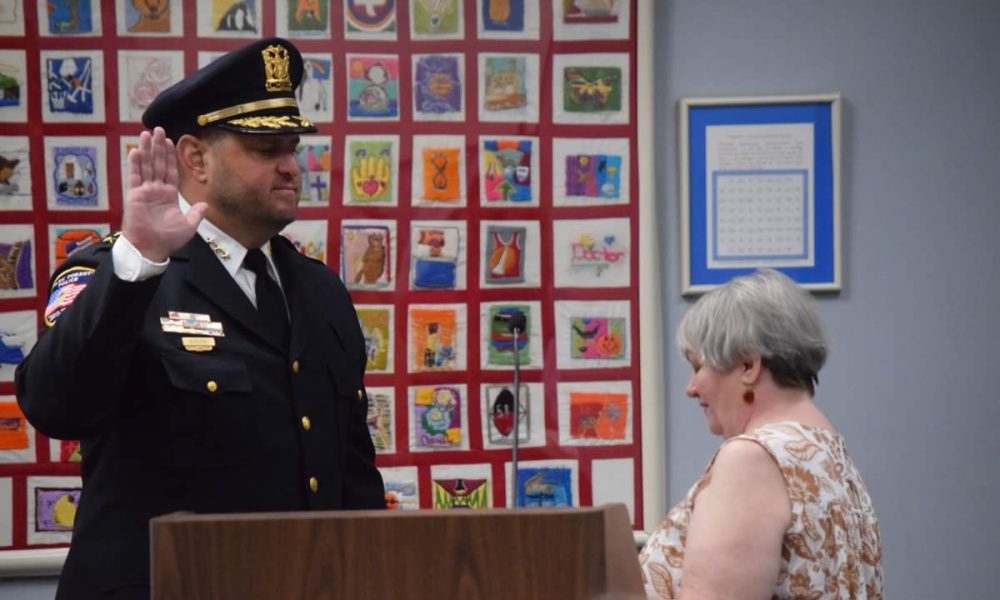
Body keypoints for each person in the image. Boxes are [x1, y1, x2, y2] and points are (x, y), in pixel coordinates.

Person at [15, 38, 385, 599]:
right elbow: (55, 406)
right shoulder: (123, 274)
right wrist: (139, 259)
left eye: (293, 147)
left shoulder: (321, 290)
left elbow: (352, 472)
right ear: (195, 158)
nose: (290, 166)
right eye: (265, 147)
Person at [639, 269, 882, 599]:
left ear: (748, 366)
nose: (691, 388)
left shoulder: (752, 459)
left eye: (698, 367)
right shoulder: (827, 450)